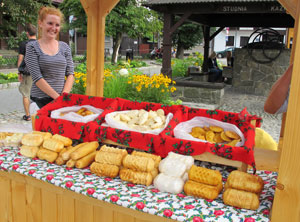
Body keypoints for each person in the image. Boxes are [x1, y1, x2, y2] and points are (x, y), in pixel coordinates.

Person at [25, 6, 74, 109]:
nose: (54, 28)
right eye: (50, 23)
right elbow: (37, 77)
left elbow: (70, 74)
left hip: (61, 100)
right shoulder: (32, 47)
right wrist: (57, 98)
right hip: (40, 101)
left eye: (57, 25)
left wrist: (64, 96)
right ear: (40, 23)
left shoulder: (65, 47)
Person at [17, 24, 37, 121]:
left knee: (26, 93)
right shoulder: (40, 44)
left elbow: (21, 59)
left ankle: (28, 115)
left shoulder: (24, 44)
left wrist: (19, 72)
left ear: (27, 33)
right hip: (39, 72)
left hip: (28, 73)